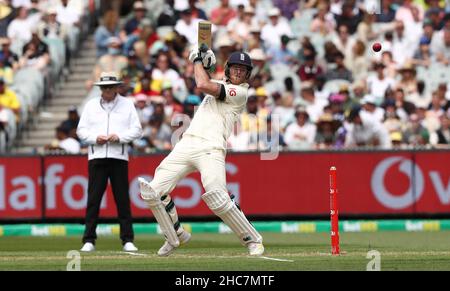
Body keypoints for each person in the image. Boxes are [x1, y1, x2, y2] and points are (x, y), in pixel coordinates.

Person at [138, 48, 264, 257]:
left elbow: (203, 84)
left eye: (243, 70)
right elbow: (205, 79)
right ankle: (175, 235)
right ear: (228, 69)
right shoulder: (220, 84)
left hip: (211, 147)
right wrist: (204, 63)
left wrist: (197, 60)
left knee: (218, 197)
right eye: (236, 68)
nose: (239, 72)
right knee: (153, 191)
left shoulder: (240, 93)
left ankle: (253, 240)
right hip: (187, 144)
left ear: (248, 74)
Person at [76, 72, 143, 252]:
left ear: (116, 87)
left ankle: (127, 239)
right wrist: (94, 138)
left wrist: (119, 138)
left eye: (110, 87)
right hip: (96, 156)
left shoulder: (127, 104)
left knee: (122, 199)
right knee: (93, 200)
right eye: (104, 88)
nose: (107, 91)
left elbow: (137, 130)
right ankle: (89, 240)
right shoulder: (90, 106)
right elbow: (81, 131)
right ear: (100, 89)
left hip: (118, 156)